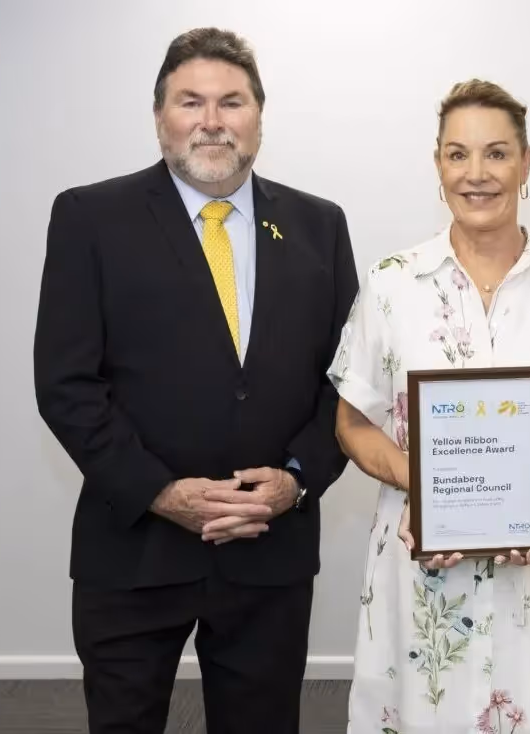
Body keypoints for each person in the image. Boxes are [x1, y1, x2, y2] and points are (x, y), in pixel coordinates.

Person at [32, 28, 357, 734]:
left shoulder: (318, 226)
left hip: (269, 551)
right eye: (191, 101)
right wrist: (158, 492)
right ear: (159, 118)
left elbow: (346, 383)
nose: (212, 120)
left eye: (231, 102)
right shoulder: (91, 218)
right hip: (133, 553)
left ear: (259, 118)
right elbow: (66, 382)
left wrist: (296, 480)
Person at [327, 79, 530, 734]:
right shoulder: (391, 285)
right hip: (418, 564)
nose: (476, 174)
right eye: (457, 155)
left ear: (527, 164)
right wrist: (431, 488)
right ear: (437, 165)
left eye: (496, 154)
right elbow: (352, 422)